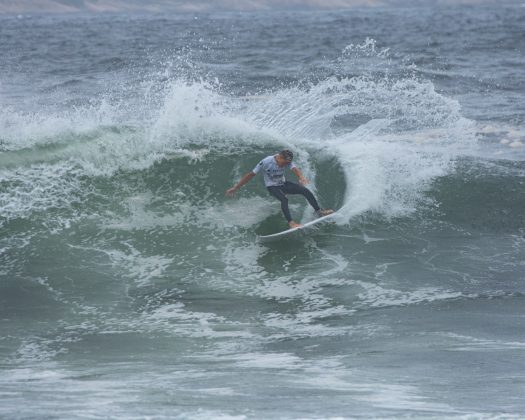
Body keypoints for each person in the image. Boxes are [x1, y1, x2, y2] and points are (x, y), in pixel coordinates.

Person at [226, 149, 333, 228]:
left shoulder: (288, 160)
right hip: (272, 187)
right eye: (285, 162)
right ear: (279, 157)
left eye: (288, 163)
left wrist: (301, 177)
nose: (286, 164)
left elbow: (295, 169)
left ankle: (319, 212)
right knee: (284, 199)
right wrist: (236, 187)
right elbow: (251, 174)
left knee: (304, 190)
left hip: (283, 183)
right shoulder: (266, 161)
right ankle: (291, 223)